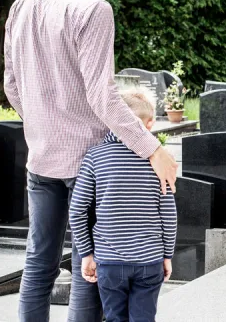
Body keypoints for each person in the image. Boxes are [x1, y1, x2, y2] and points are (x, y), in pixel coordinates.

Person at [3, 0, 178, 322]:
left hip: (41, 159)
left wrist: (46, 124)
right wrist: (154, 150)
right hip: (89, 163)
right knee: (91, 263)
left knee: (39, 261)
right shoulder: (94, 9)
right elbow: (103, 98)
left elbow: (13, 85)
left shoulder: (23, 3)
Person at [69, 89, 177, 322]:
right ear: (149, 125)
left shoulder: (95, 157)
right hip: (149, 261)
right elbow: (168, 214)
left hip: (110, 262)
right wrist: (167, 254)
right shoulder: (159, 163)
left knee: (115, 318)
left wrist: (86, 253)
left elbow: (77, 210)